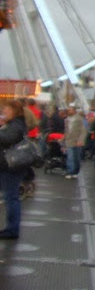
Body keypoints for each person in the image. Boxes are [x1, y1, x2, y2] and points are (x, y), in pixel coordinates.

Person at [0, 100, 28, 239]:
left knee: (11, 197)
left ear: (14, 110)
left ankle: (12, 229)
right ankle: (11, 228)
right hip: (8, 166)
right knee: (10, 197)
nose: (3, 111)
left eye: (6, 109)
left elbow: (7, 139)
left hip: (10, 167)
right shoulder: (15, 124)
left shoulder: (16, 125)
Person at [64, 104, 87, 179]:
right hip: (69, 141)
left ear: (74, 110)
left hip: (77, 141)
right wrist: (63, 140)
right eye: (68, 110)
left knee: (76, 157)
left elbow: (83, 130)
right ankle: (70, 171)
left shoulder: (79, 119)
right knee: (70, 157)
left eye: (70, 110)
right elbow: (66, 131)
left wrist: (81, 140)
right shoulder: (66, 120)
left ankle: (76, 171)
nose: (69, 111)